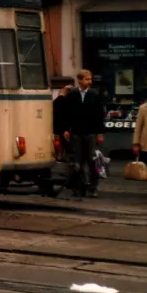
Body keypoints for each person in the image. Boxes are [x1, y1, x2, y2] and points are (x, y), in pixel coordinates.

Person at [63, 69, 105, 198]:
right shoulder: (72, 95)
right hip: (76, 132)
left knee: (92, 161)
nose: (89, 81)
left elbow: (99, 115)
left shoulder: (94, 94)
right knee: (77, 161)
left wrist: (100, 133)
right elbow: (67, 113)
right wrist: (66, 129)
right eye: (87, 79)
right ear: (80, 80)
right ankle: (78, 187)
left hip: (91, 132)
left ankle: (93, 187)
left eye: (90, 79)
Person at [52, 85, 73, 161]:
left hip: (56, 128)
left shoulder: (55, 102)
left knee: (59, 146)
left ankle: (59, 156)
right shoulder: (66, 102)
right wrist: (66, 129)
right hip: (64, 129)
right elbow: (67, 117)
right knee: (64, 145)